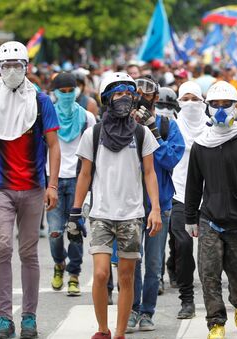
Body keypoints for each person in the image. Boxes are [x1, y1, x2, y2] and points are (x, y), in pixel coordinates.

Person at [0, 41, 60, 339]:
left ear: (26, 67)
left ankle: (29, 318)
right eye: (6, 66)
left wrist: (52, 185)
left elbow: (53, 145)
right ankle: (3, 319)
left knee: (28, 253)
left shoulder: (41, 101)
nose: (11, 71)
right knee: (1, 248)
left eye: (17, 66)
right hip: (0, 190)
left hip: (34, 188)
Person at [70, 72, 162, 339]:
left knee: (126, 276)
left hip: (132, 215)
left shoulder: (142, 134)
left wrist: (154, 208)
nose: (124, 98)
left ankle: (120, 333)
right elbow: (85, 174)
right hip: (100, 214)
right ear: (106, 98)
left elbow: (149, 173)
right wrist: (75, 212)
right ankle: (102, 329)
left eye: (128, 93)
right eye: (118, 93)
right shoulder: (93, 133)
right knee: (100, 274)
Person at [185, 81, 237, 339]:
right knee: (209, 274)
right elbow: (193, 184)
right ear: (208, 108)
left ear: (236, 107)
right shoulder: (201, 145)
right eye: (215, 105)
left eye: (226, 105)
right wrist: (191, 218)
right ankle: (216, 323)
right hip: (209, 221)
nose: (221, 110)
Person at [127, 76, 184, 333]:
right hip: (128, 204)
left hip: (159, 204)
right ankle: (131, 310)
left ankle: (147, 312)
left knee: (152, 263)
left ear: (156, 97)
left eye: (147, 93)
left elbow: (171, 159)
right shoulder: (122, 124)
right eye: (136, 92)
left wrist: (152, 131)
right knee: (130, 262)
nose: (141, 97)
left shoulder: (166, 124)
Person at [47, 72, 97, 297]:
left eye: (70, 91)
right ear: (55, 93)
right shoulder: (47, 116)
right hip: (54, 180)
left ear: (77, 92)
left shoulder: (87, 118)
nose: (66, 96)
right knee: (55, 232)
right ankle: (59, 264)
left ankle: (74, 275)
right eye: (62, 92)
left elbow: (92, 154)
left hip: (79, 181)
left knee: (75, 231)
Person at [169, 81, 208, 319]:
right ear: (179, 102)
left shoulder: (213, 126)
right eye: (186, 99)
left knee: (210, 251)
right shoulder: (171, 127)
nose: (191, 104)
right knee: (183, 245)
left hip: (209, 196)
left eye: (195, 99)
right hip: (179, 193)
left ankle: (217, 296)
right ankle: (187, 299)